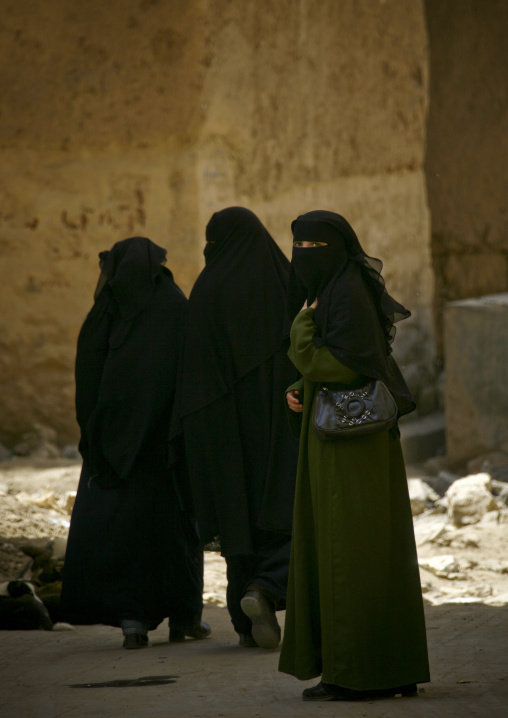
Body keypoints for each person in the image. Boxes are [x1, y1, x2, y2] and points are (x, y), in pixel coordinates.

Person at [278, 211, 430, 700]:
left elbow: (339, 365)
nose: (303, 256)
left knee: (348, 553)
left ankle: (353, 675)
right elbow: (350, 362)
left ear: (335, 250)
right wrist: (301, 388)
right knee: (372, 553)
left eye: (313, 247)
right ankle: (391, 666)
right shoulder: (342, 289)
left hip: (349, 451)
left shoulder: (340, 295)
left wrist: (302, 329)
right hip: (355, 443)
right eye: (297, 245)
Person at [61, 236, 210, 649]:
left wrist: (94, 439)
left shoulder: (104, 314)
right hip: (166, 449)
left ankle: (133, 622)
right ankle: (184, 618)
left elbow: (87, 382)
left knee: (122, 534)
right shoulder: (175, 307)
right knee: (175, 532)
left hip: (113, 449)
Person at [176, 207, 299, 649]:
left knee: (237, 519)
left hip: (222, 435)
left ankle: (245, 626)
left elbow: (190, 374)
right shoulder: (279, 282)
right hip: (276, 425)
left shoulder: (205, 291)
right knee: (284, 510)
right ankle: (266, 588)